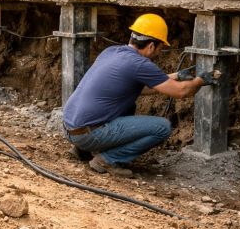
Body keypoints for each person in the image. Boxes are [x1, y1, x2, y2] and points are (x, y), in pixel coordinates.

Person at [63, 13, 211, 177]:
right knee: (162, 128)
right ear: (151, 46)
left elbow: (140, 88)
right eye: (160, 48)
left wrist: (176, 76)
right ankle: (107, 160)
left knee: (128, 104)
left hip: (70, 128)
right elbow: (181, 91)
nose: (159, 52)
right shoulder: (140, 64)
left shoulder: (111, 52)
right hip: (88, 135)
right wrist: (200, 81)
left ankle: (82, 150)